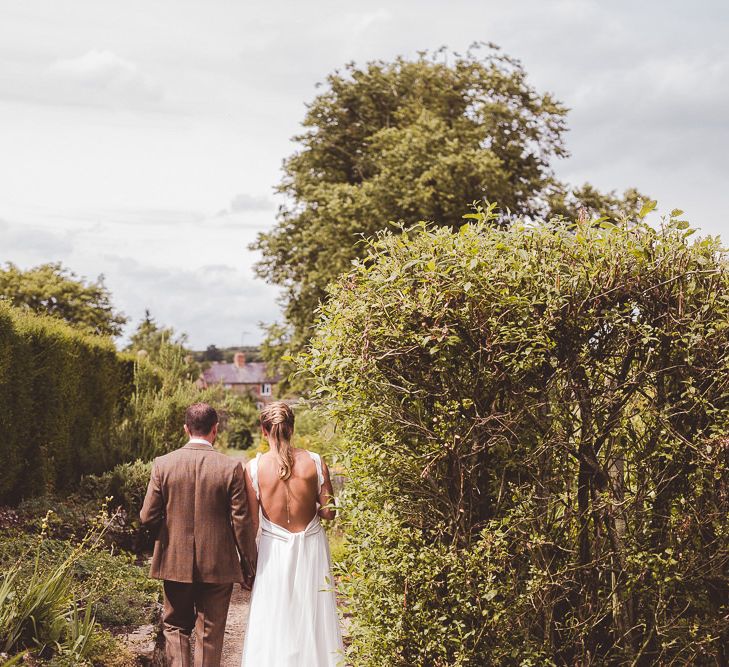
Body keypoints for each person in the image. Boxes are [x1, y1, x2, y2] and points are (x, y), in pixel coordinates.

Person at [140, 402, 257, 667]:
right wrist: (249, 563)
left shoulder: (163, 464)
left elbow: (147, 516)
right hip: (218, 563)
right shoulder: (230, 467)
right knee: (210, 633)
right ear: (215, 429)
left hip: (175, 559)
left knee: (176, 626)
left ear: (186, 429)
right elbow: (241, 521)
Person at [241, 401, 345, 666]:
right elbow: (330, 513)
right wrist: (310, 504)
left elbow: (253, 524)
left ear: (263, 430)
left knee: (274, 616)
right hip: (311, 548)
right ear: (293, 428)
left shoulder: (253, 468)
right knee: (312, 615)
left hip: (272, 550)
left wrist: (248, 566)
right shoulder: (315, 462)